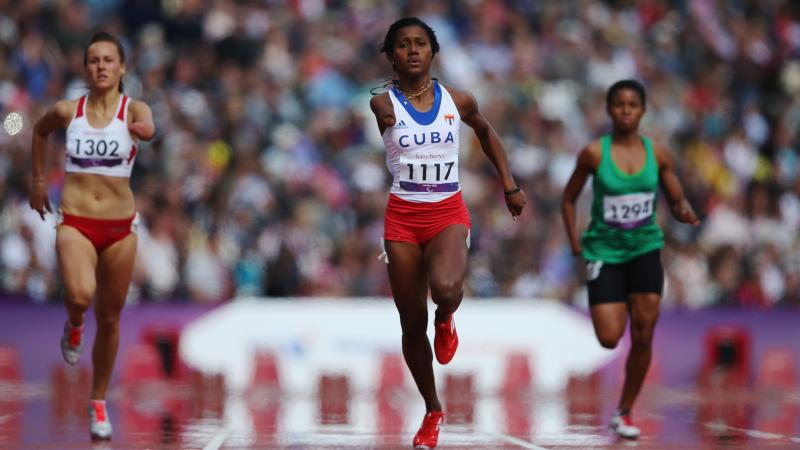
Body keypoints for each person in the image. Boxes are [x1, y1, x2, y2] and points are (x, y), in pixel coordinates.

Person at [370, 17, 526, 449]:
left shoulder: (459, 100)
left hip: (447, 213)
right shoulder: (383, 105)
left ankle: (447, 318)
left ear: (433, 52)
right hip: (402, 217)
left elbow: (487, 132)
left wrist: (509, 185)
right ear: (392, 55)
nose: (413, 51)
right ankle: (433, 410)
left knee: (446, 290)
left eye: (421, 43)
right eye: (403, 45)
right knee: (409, 321)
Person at [29, 31, 155, 441]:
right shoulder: (69, 110)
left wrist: (145, 129)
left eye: (108, 60)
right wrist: (36, 181)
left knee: (112, 317)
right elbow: (36, 129)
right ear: (85, 69)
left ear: (121, 68)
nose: (101, 66)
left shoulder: (133, 108)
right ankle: (74, 323)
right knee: (82, 295)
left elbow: (149, 123)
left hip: (121, 227)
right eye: (93, 60)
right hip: (77, 221)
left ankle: (98, 401)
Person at [561, 79, 700, 439]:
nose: (625, 110)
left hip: (644, 249)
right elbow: (568, 198)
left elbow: (675, 196)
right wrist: (576, 244)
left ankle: (624, 411)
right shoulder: (593, 154)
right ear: (609, 110)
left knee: (643, 331)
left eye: (632, 105)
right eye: (618, 104)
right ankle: (613, 297)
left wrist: (684, 209)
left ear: (642, 111)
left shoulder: (659, 155)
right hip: (604, 251)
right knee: (609, 337)